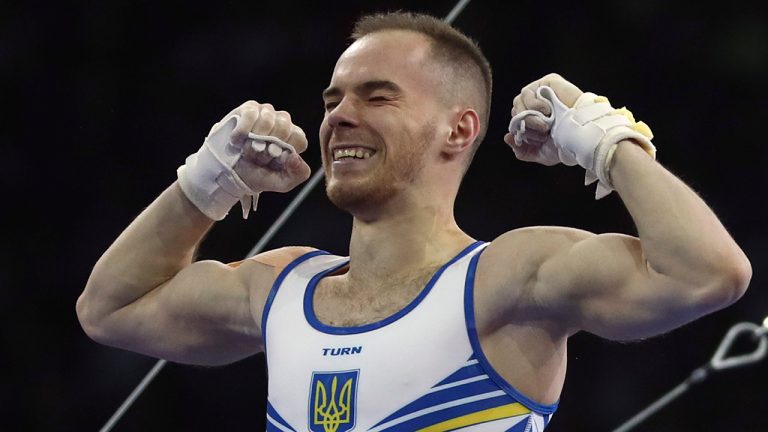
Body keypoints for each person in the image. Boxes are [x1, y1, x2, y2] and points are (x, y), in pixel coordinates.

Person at [77, 12, 751, 431]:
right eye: (333, 98)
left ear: (458, 130)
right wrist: (204, 182)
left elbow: (708, 273)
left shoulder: (504, 281)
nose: (340, 115)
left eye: (377, 96)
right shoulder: (280, 287)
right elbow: (109, 310)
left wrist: (607, 141)